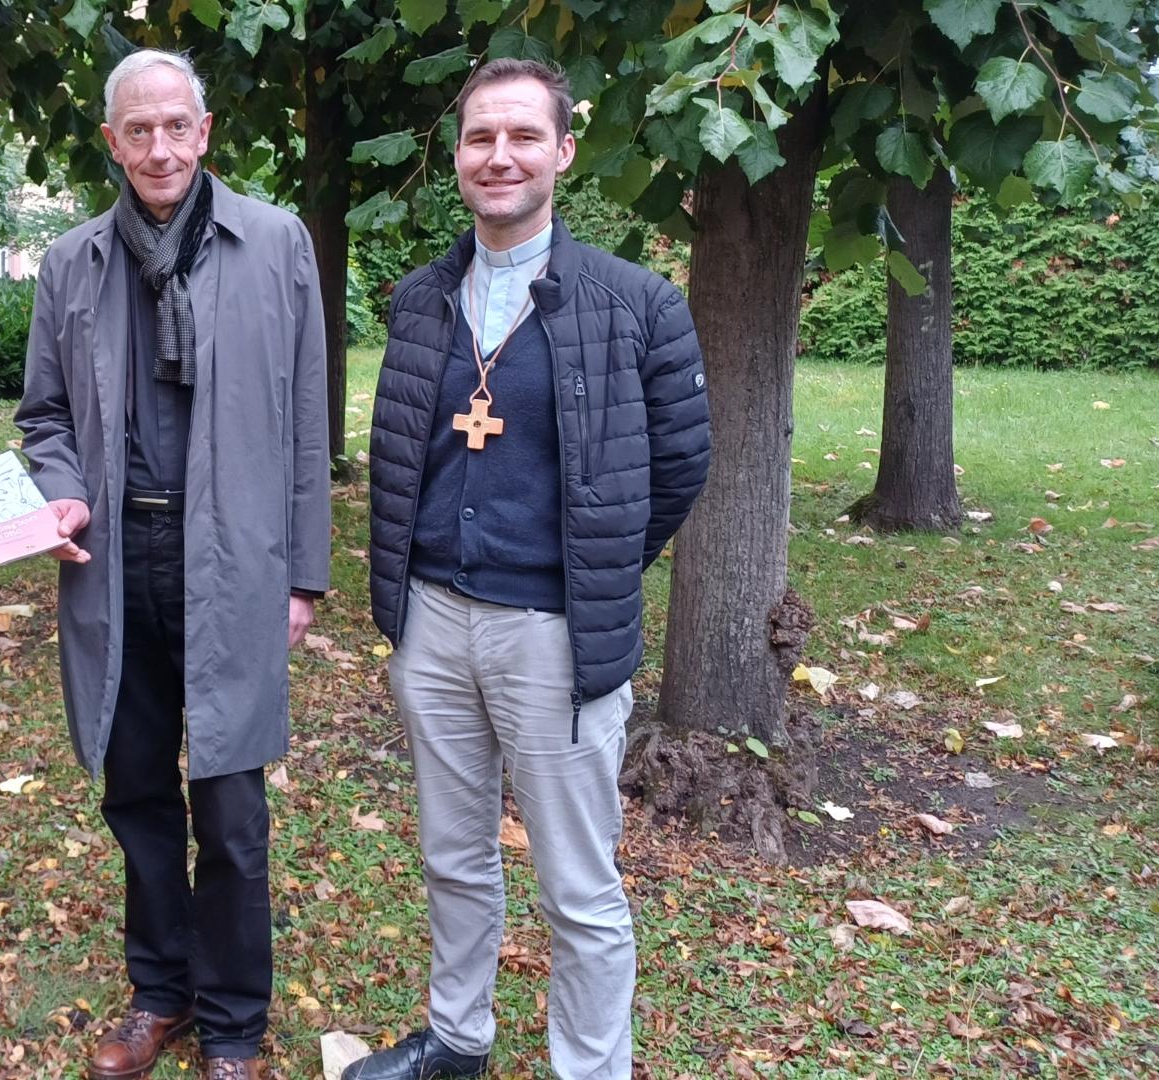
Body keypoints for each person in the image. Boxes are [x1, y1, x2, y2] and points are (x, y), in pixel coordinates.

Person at [348, 59, 711, 1080]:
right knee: (453, 856)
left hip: (553, 633)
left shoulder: (635, 303)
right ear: (457, 157)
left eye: (519, 136)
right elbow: (405, 449)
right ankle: (457, 1039)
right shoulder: (422, 300)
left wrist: (594, 572)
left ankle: (589, 1069)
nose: (497, 155)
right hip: (431, 623)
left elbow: (681, 466)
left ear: (561, 151)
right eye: (477, 138)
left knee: (577, 887)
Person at [13, 47, 331, 1080]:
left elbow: (304, 419)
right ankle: (160, 993)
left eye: (175, 126)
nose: (158, 146)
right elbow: (45, 414)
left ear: (205, 133)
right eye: (136, 130)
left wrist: (303, 573)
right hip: (114, 559)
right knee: (136, 788)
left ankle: (235, 1022)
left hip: (234, 560)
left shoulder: (276, 243)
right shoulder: (71, 264)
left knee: (230, 807)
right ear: (111, 141)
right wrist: (58, 482)